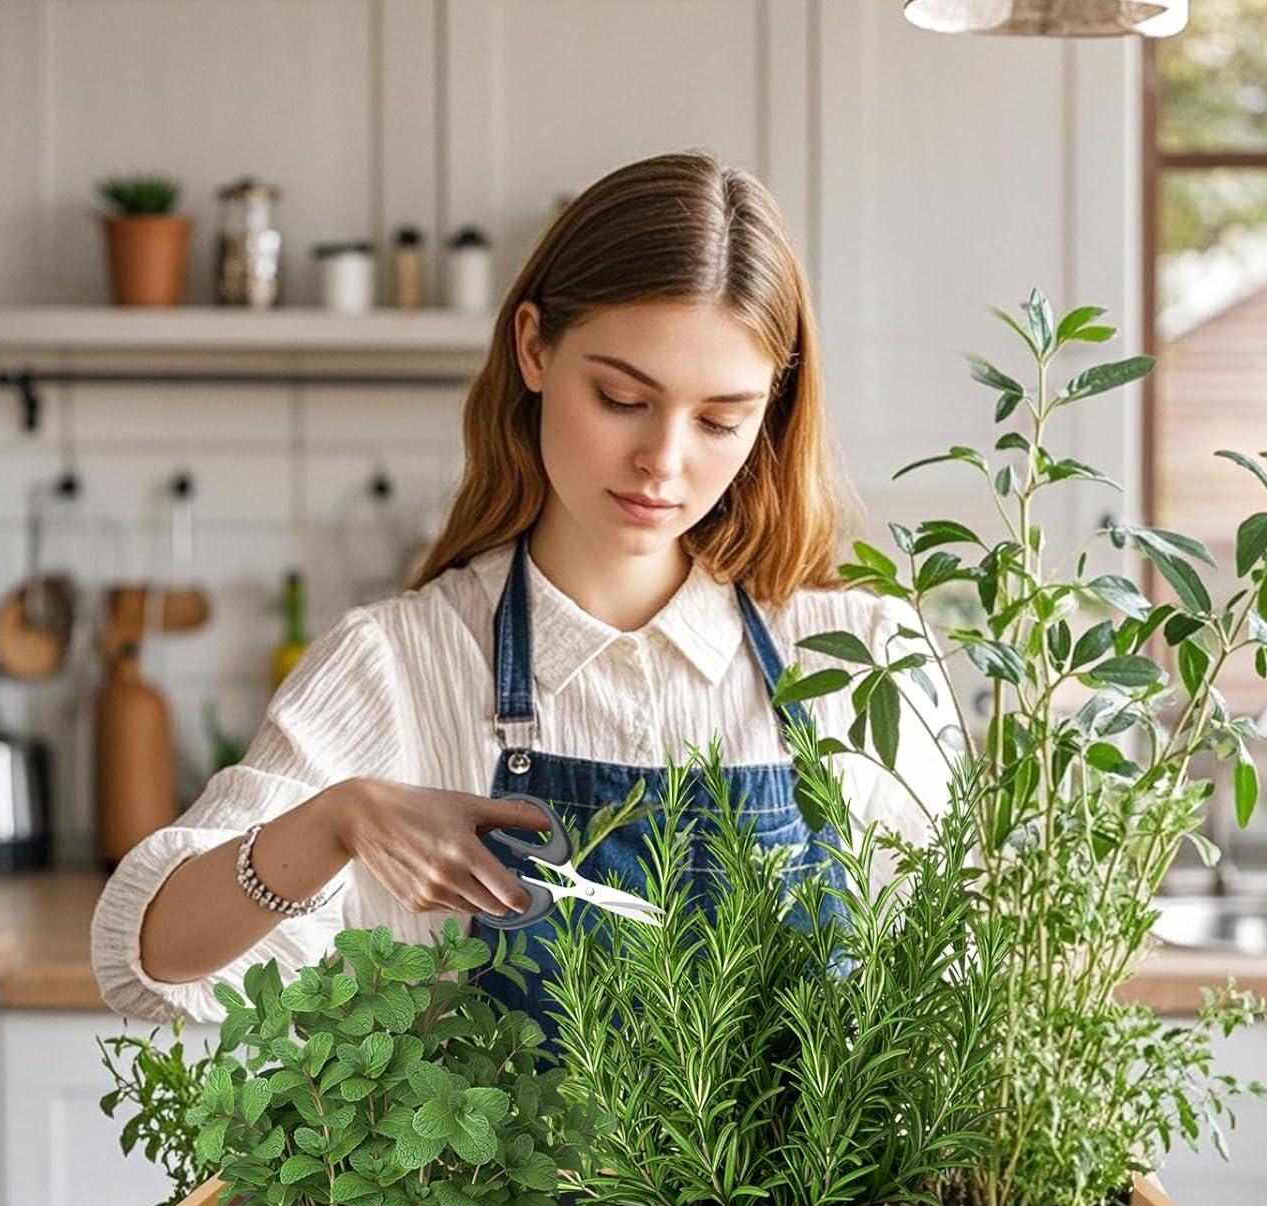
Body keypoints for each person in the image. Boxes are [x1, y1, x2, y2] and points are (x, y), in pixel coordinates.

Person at [90, 149, 958, 1036]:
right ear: (535, 346)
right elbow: (147, 961)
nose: (664, 461)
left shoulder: (858, 657)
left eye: (719, 419)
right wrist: (334, 821)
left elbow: (954, 982)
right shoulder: (399, 664)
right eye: (622, 398)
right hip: (490, 1186)